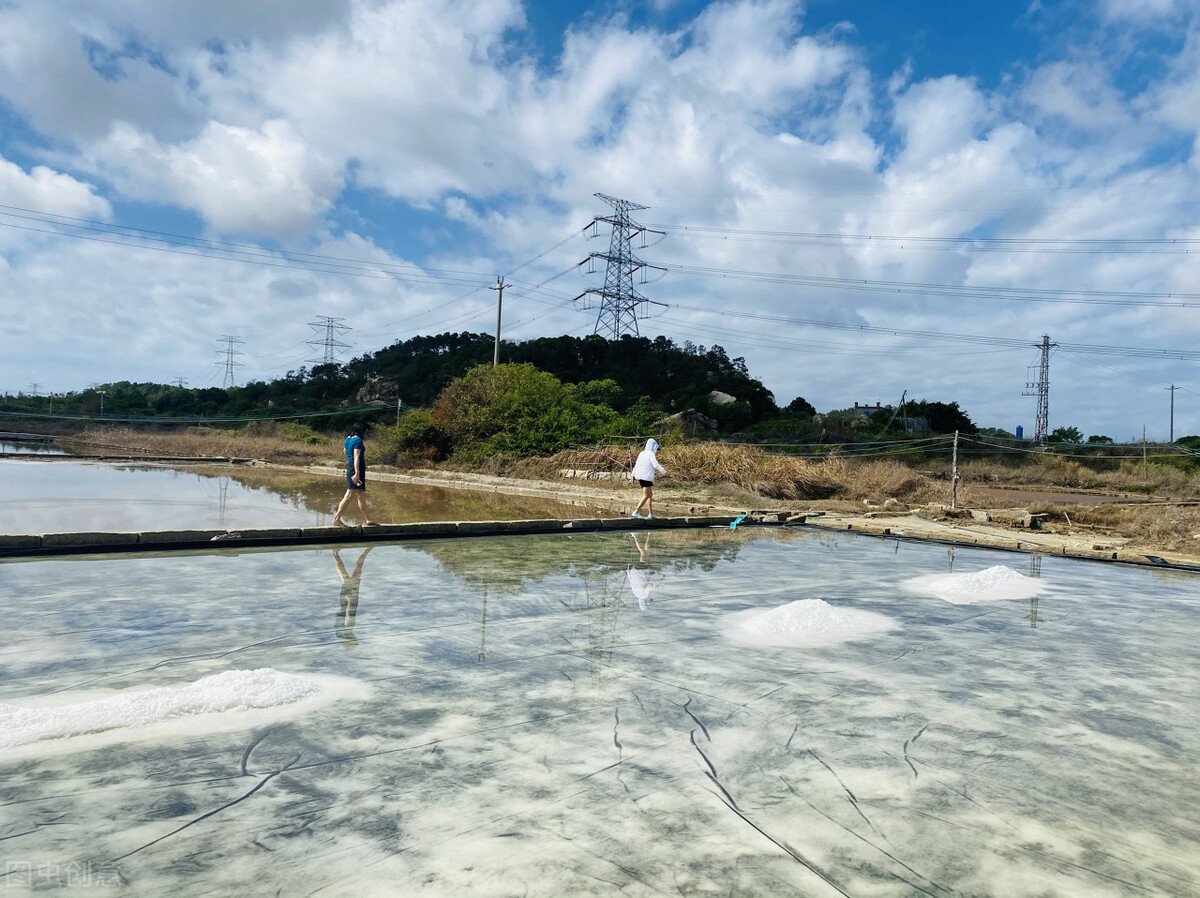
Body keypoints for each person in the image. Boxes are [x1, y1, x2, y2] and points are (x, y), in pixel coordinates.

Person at [333, 420, 377, 527]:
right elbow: (356, 456)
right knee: (349, 495)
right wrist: (357, 473)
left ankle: (368, 519)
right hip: (355, 468)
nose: (366, 432)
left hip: (353, 466)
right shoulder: (358, 440)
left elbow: (345, 451)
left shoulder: (347, 439)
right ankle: (336, 519)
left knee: (361, 495)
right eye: (366, 430)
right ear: (362, 429)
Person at [333, 546, 372, 648]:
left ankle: (367, 550)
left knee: (357, 568)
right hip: (343, 601)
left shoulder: (349, 627)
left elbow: (349, 613)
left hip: (351, 598)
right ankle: (335, 553)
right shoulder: (339, 631)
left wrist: (350, 599)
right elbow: (337, 616)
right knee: (344, 575)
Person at [630, 438, 666, 519]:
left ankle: (651, 513)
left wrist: (633, 475)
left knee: (650, 495)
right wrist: (663, 471)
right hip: (646, 477)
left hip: (640, 476)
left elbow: (637, 465)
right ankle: (636, 511)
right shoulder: (650, 454)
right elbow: (655, 465)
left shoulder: (642, 453)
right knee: (646, 495)